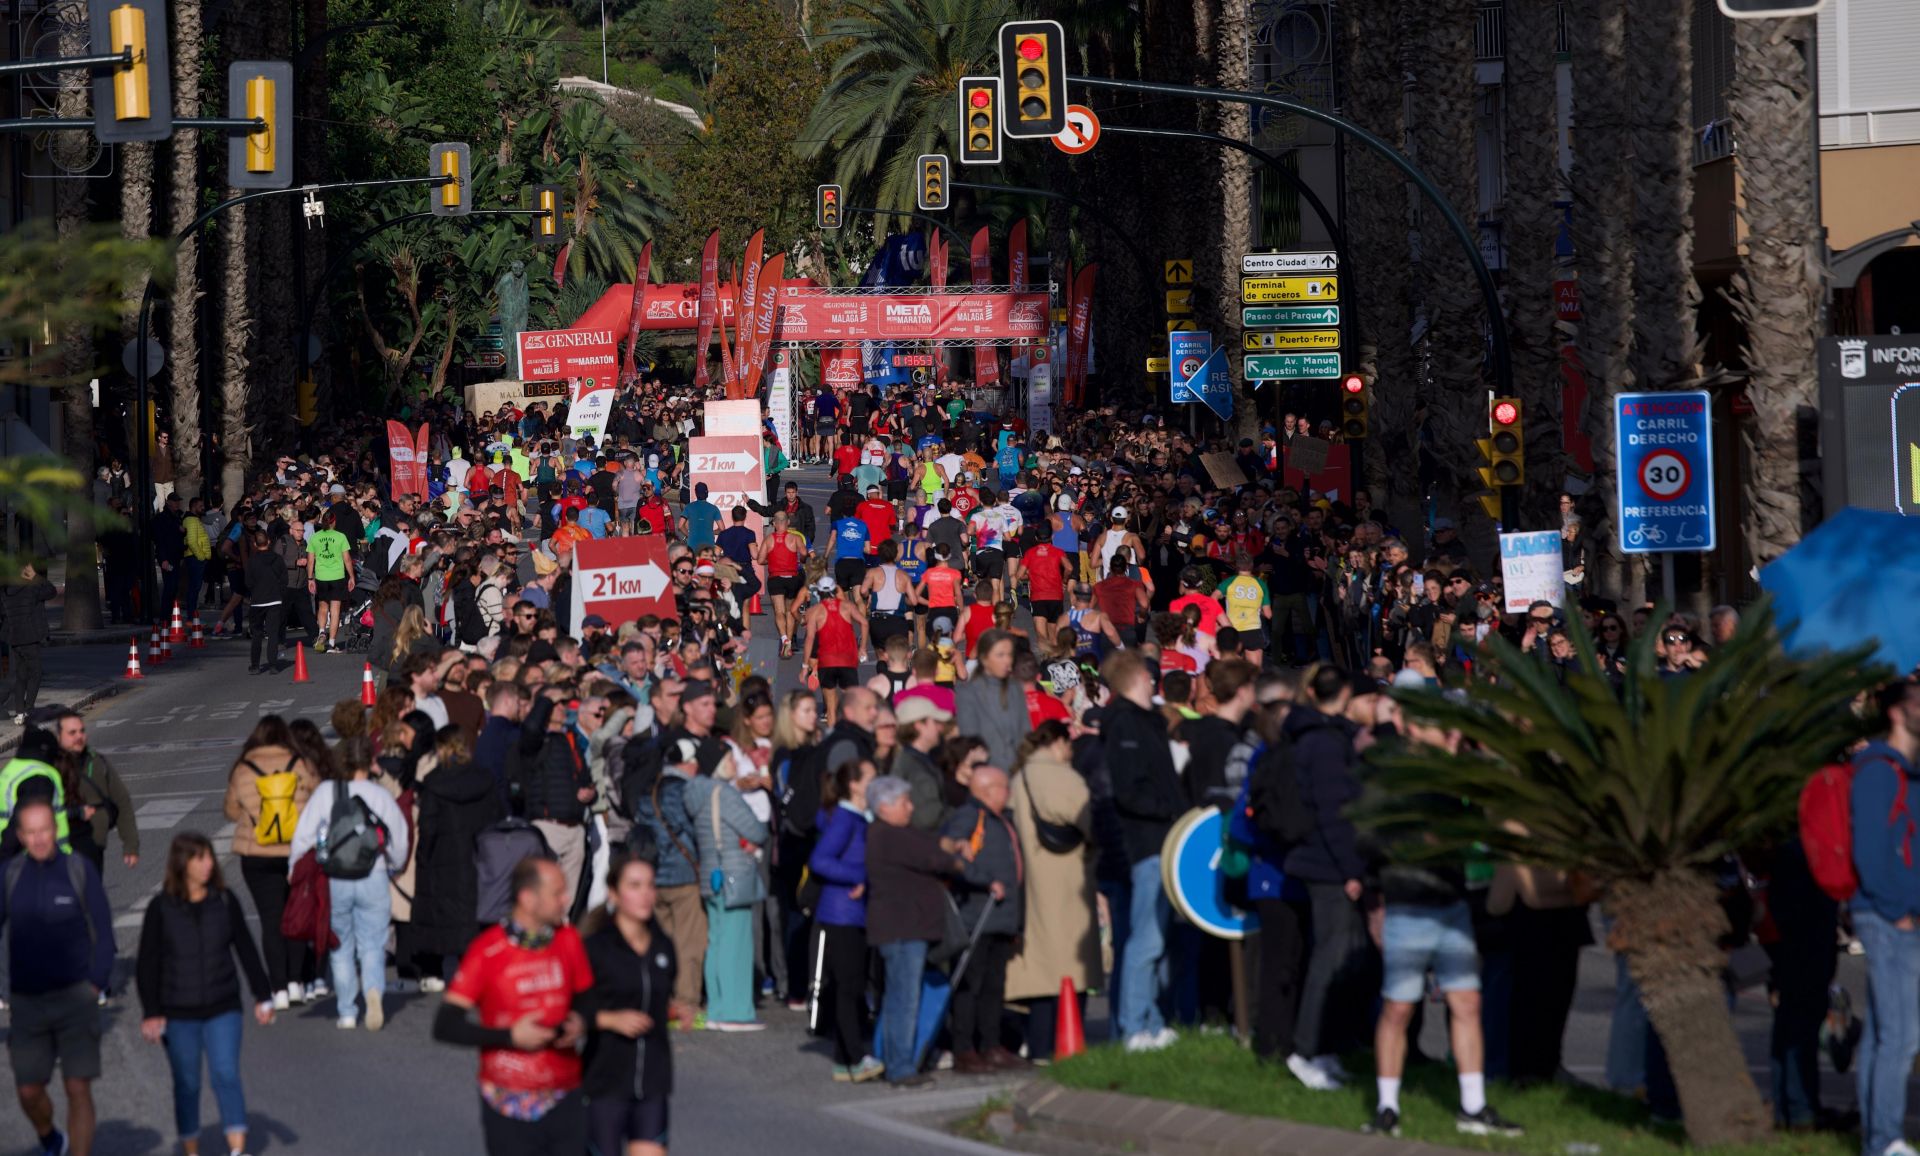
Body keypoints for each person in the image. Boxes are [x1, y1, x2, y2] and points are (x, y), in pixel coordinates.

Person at [1367, 722, 1524, 1138]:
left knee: (1467, 1002)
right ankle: (1387, 1107)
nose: (1456, 738)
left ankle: (1472, 1106)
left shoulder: (1456, 779)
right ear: (1419, 731)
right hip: (1408, 905)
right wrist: (1375, 897)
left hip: (1452, 905)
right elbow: (1367, 838)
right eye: (1448, 732)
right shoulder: (1395, 777)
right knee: (1398, 1007)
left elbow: (1481, 827)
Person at [435, 858, 592, 1155]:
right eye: (557, 893)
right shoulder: (487, 950)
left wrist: (581, 1021)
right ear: (528, 899)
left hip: (565, 1093)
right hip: (507, 1099)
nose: (566, 899)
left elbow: (589, 998)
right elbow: (445, 1025)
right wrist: (509, 1036)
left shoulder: (568, 939)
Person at [135, 832, 277, 1156]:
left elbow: (245, 947)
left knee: (226, 1074)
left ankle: (238, 1149)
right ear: (182, 864)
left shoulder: (225, 901)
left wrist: (262, 994)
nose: (209, 864)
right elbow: (147, 964)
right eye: (201, 858)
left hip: (223, 1005)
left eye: (210, 856)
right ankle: (192, 1148)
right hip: (178, 1012)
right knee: (188, 1084)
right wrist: (152, 1012)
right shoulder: (161, 908)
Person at [1, 799, 114, 1156]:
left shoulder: (78, 870)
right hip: (27, 1001)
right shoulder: (9, 876)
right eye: (30, 832)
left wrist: (94, 983)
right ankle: (51, 1137)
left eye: (44, 830)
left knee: (77, 1086)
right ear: (20, 835)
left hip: (75, 998)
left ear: (57, 829)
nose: (38, 839)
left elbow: (104, 932)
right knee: (29, 1091)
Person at [1283, 668, 1373, 1089]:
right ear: (1346, 694)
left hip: (1329, 862)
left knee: (1340, 959)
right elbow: (1334, 812)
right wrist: (1351, 870)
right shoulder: (1323, 742)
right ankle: (1306, 1050)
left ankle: (1327, 1047)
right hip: (1328, 866)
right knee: (1328, 959)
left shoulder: (1326, 736)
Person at [289, 737, 410, 1030]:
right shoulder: (379, 795)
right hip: (374, 873)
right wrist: (394, 865)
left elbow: (304, 836)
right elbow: (399, 837)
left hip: (336, 876)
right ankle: (373, 991)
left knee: (340, 945)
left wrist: (294, 869)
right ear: (370, 762)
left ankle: (346, 1010)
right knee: (373, 942)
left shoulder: (326, 793)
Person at [1850, 677, 1920, 1156]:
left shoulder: (1905, 771)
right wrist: (1897, 912)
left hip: (1897, 914)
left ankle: (1878, 1137)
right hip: (1887, 915)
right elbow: (1871, 850)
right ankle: (1885, 1138)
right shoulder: (1878, 769)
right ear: (1897, 712)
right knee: (1901, 1034)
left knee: (1881, 1031)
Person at [1101, 649, 1184, 1053]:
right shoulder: (1125, 725)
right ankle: (1135, 1025)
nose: (1156, 681)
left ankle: (1151, 1021)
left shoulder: (1143, 721)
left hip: (1162, 840)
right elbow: (1130, 789)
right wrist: (1171, 810)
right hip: (1148, 841)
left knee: (1157, 938)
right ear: (1137, 678)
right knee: (1146, 940)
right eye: (1150, 676)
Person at [863, 775, 970, 1087]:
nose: (911, 808)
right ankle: (900, 1067)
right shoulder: (889, 835)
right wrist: (959, 862)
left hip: (904, 927)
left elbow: (928, 842)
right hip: (902, 929)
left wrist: (948, 845)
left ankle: (893, 1060)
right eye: (904, 802)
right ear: (884, 807)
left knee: (899, 997)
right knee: (904, 999)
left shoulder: (892, 833)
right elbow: (933, 857)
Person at [1004, 721, 1100, 1063]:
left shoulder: (1019, 778)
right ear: (1059, 743)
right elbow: (1092, 822)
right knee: (1071, 967)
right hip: (1068, 881)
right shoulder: (1064, 778)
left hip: (1030, 881)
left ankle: (1039, 1044)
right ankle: (1068, 1045)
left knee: (1040, 968)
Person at [684, 685, 771, 1032]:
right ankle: (736, 1011)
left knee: (718, 941)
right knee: (736, 943)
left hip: (711, 871)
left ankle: (719, 1007)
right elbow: (757, 829)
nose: (735, 761)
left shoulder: (695, 793)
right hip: (734, 870)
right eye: (728, 758)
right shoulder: (724, 792)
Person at [580, 853, 679, 1156]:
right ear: (614, 893)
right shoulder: (596, 948)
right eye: (635, 885)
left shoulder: (663, 946)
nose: (646, 894)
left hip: (653, 1080)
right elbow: (570, 1009)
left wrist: (675, 1011)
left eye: (650, 885)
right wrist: (609, 1020)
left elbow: (658, 997)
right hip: (605, 1081)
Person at [223, 715, 321, 1008]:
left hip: (257, 853)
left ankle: (277, 988)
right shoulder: (300, 763)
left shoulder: (244, 767)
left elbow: (231, 810)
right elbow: (317, 799)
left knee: (271, 920)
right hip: (297, 851)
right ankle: (295, 983)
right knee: (297, 917)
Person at [942, 764, 1027, 1074]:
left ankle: (991, 1045)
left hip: (1000, 918)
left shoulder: (1002, 820)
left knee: (994, 987)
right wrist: (983, 881)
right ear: (987, 790)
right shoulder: (969, 816)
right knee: (969, 987)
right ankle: (964, 1049)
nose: (1009, 793)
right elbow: (954, 857)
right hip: (977, 916)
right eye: (1004, 787)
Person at [808, 758, 884, 1082]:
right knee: (849, 988)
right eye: (871, 778)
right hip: (840, 914)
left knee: (850, 986)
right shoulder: (845, 818)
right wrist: (859, 875)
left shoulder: (859, 817)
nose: (877, 782)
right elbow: (820, 860)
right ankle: (854, 1057)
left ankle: (844, 1060)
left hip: (852, 913)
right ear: (854, 785)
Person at [47, 710, 138, 876]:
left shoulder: (97, 762)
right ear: (59, 736)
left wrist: (130, 845)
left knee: (90, 897)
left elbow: (122, 801)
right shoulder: (49, 767)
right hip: (60, 848)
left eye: (82, 731)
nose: (79, 736)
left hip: (94, 846)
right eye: (72, 733)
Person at [954, 630, 1030, 771]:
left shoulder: (1015, 688)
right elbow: (970, 738)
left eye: (1009, 655)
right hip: (986, 771)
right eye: (1000, 655)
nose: (1007, 660)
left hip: (1018, 769)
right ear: (984, 658)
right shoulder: (968, 692)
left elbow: (1024, 730)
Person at [802, 577, 866, 725]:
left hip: (826, 661)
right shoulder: (847, 606)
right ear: (834, 590)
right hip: (847, 660)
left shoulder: (814, 611)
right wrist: (862, 648)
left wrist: (805, 666)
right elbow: (864, 622)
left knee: (830, 709)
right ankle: (850, 737)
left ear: (818, 592)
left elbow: (810, 639)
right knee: (850, 703)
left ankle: (832, 740)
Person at [1, 561, 56, 724]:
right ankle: (28, 708)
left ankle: (19, 712)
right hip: (30, 637)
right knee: (36, 672)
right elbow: (51, 591)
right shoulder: (31, 589)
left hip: (14, 638)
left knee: (21, 675)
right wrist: (36, 577)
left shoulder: (5, 592)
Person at [243, 527, 289, 673]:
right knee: (273, 632)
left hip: (257, 600)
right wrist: (279, 593)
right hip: (274, 599)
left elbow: (248, 582)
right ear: (269, 542)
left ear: (255, 544)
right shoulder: (278, 559)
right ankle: (273, 665)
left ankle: (255, 665)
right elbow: (284, 579)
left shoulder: (252, 561)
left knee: (257, 633)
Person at [307, 509, 353, 653]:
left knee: (322, 607)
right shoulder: (340, 537)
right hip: (337, 576)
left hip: (321, 576)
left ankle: (321, 631)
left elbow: (310, 560)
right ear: (334, 521)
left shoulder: (315, 537)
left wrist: (310, 578)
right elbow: (347, 559)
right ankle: (332, 643)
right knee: (335, 610)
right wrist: (351, 576)